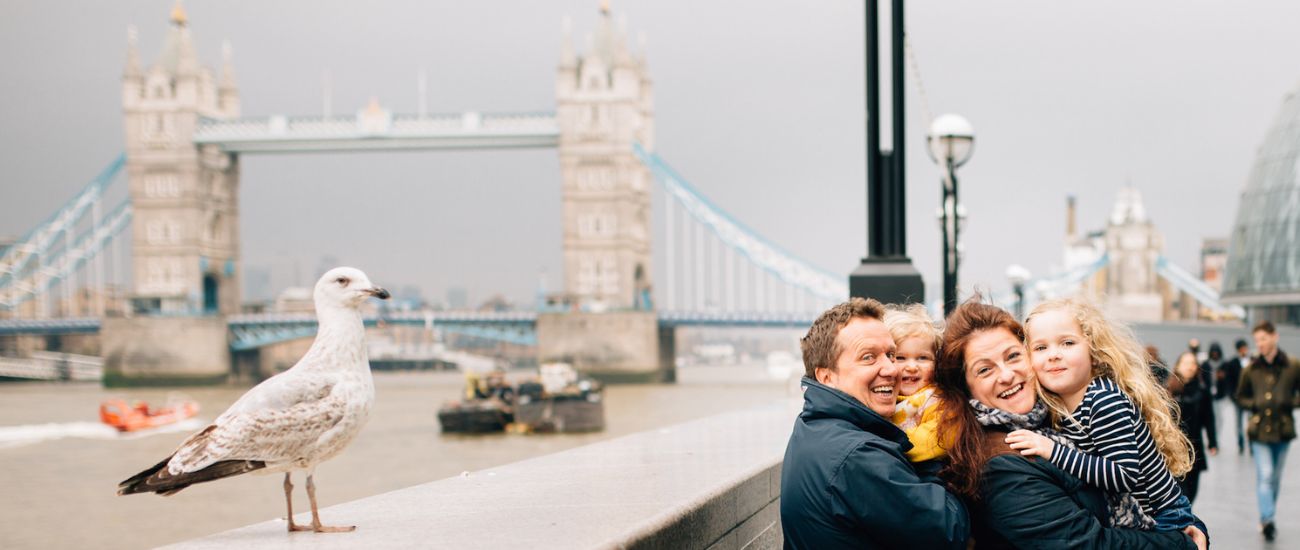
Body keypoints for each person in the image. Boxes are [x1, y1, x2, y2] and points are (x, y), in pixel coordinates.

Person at [932, 300, 1204, 550]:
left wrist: (1190, 530)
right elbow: (1086, 544)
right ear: (965, 388)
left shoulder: (1061, 412)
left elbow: (1134, 480)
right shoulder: (1000, 464)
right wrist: (1182, 544)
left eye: (1013, 356)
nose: (1006, 375)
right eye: (984, 369)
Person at [780, 298, 968, 549]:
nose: (892, 369)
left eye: (891, 354)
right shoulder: (859, 457)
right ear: (826, 376)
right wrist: (935, 462)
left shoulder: (813, 425)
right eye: (868, 357)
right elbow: (949, 530)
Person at [1008, 298, 1201, 534]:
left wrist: (1052, 450)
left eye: (1067, 343)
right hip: (1136, 519)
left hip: (1163, 517)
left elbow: (1124, 475)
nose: (1053, 355)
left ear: (1093, 350)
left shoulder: (1103, 400)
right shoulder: (1059, 406)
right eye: (1040, 348)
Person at [1235, 320, 1300, 541]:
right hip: (1259, 430)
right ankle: (1268, 518)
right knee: (1266, 475)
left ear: (1275, 337)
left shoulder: (1292, 365)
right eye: (1257, 340)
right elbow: (1240, 396)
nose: (1260, 344)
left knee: (1276, 478)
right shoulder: (1251, 369)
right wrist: (1254, 404)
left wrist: (1291, 401)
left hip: (1283, 430)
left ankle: (1267, 515)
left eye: (1263, 339)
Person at [884, 303, 946, 466]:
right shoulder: (882, 398)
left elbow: (938, 439)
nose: (912, 367)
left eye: (922, 358)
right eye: (900, 358)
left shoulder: (938, 402)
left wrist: (884, 445)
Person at [1167, 351, 1217, 503]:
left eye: (1193, 363)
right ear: (1178, 365)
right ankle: (1181, 520)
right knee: (1179, 489)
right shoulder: (1167, 389)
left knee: (1192, 491)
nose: (1190, 367)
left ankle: (1185, 517)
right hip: (1172, 447)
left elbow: (1209, 418)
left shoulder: (1202, 391)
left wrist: (1213, 442)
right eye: (1186, 363)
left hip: (1194, 446)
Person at [1218, 338, 1250, 454]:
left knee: (1251, 421)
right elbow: (1229, 381)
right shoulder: (1232, 363)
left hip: (1250, 397)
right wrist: (1232, 396)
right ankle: (1241, 443)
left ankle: (1251, 443)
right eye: (1241, 349)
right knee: (1239, 423)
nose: (1244, 351)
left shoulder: (1252, 361)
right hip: (1238, 398)